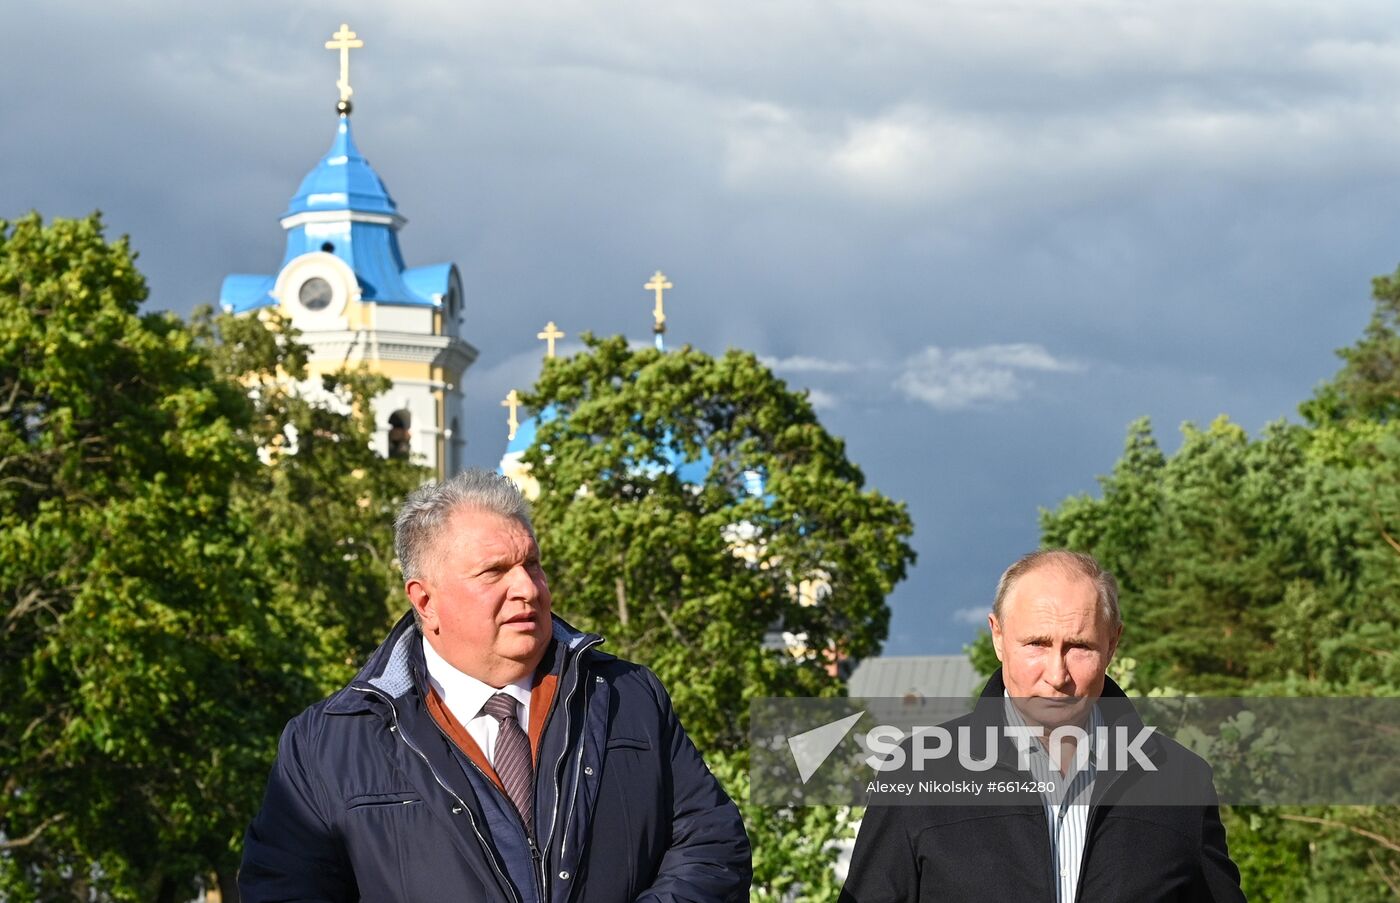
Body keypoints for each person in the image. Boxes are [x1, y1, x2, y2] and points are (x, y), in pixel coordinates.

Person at [239, 470, 751, 902]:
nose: (527, 588)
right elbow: (285, 889)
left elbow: (711, 845)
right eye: (495, 572)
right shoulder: (327, 744)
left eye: (532, 564)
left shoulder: (627, 697)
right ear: (425, 602)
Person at [840, 550, 1245, 902]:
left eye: (1079, 647)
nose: (1057, 674)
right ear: (998, 638)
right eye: (1036, 644)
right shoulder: (915, 774)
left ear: (1113, 644)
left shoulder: (1180, 782)